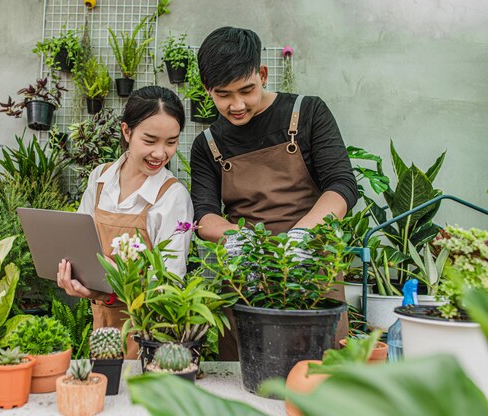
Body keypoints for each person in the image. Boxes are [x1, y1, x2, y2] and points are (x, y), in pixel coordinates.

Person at [190, 27, 358, 359]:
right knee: (246, 381)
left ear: (263, 74)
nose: (236, 105)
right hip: (246, 277)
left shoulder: (307, 113)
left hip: (312, 271)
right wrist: (239, 240)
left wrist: (301, 236)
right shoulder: (207, 144)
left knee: (319, 377)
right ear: (208, 89)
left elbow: (341, 186)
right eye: (224, 94)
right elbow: (203, 214)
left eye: (246, 90)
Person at [57, 86, 193, 358]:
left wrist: (110, 288)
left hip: (149, 333)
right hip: (102, 328)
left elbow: (168, 286)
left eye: (171, 142)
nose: (160, 153)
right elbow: (79, 242)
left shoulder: (172, 196)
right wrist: (74, 276)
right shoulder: (100, 177)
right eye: (150, 140)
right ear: (127, 132)